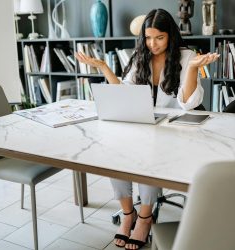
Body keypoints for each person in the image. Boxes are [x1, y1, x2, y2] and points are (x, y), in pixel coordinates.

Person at [76, 8, 219, 250]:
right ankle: (128, 213)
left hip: (176, 134)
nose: (153, 44)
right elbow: (125, 93)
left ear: (170, 35)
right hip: (146, 126)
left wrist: (193, 69)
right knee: (115, 154)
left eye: (159, 38)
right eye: (148, 37)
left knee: (149, 155)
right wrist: (103, 67)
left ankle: (144, 218)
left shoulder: (186, 57)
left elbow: (189, 103)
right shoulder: (141, 55)